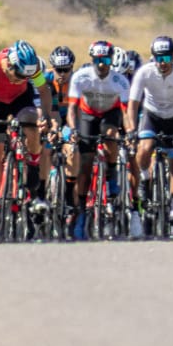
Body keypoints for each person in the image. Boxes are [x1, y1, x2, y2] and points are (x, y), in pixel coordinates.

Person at [0, 40, 55, 242]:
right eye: (19, 75)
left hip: (19, 101)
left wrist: (47, 117)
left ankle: (33, 161)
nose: (21, 79)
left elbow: (43, 90)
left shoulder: (28, 67)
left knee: (31, 124)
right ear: (9, 64)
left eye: (26, 76)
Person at [127, 36, 173, 230]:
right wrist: (132, 129)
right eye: (159, 58)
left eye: (167, 58)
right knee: (145, 147)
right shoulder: (144, 73)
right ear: (153, 57)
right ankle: (145, 178)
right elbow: (132, 106)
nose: (163, 63)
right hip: (152, 116)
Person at [66, 40, 132, 240]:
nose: (101, 64)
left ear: (111, 60)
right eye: (97, 60)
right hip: (87, 116)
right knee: (85, 165)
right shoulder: (81, 76)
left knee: (111, 134)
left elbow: (126, 111)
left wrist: (129, 132)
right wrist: (73, 130)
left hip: (110, 114)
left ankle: (111, 176)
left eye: (105, 60)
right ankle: (81, 211)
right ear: (92, 59)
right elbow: (71, 109)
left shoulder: (120, 81)